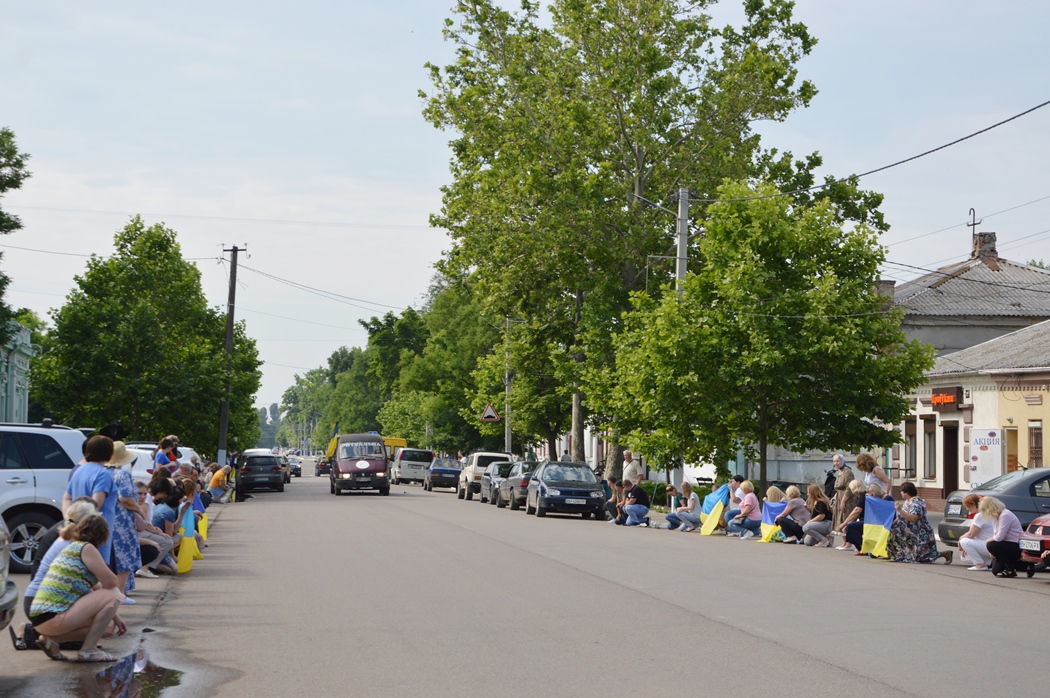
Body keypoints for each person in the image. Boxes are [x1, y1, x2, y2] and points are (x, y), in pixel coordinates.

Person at [28, 514, 127, 662]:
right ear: (103, 535)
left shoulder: (72, 549)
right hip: (53, 616)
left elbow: (97, 588)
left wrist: (116, 617)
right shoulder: (86, 548)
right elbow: (111, 583)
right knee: (114, 593)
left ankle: (53, 640)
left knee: (108, 627)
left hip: (41, 618)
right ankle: (89, 651)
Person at [8, 498, 99, 652]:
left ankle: (41, 634)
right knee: (98, 627)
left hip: (40, 598)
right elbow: (98, 583)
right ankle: (32, 633)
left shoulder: (66, 532)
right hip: (44, 600)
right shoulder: (73, 543)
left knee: (96, 624)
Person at [62, 436, 117, 567]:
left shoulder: (79, 470)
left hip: (77, 529)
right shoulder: (103, 474)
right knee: (98, 572)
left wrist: (69, 518)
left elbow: (67, 498)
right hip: (96, 532)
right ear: (109, 453)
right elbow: (96, 504)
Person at [106, 443, 145, 603]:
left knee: (108, 557)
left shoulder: (101, 473)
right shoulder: (122, 475)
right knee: (124, 557)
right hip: (122, 521)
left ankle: (111, 592)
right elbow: (125, 498)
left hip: (106, 519)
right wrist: (139, 511)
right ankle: (120, 593)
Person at [887, 481, 952, 564]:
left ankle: (945, 553)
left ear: (906, 493)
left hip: (919, 532)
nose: (901, 493)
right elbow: (901, 517)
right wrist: (892, 524)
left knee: (923, 556)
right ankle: (899, 556)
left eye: (902, 491)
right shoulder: (908, 501)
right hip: (910, 532)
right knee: (916, 555)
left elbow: (913, 518)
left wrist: (900, 510)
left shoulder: (916, 502)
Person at [134, 481, 175, 577]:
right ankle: (145, 568)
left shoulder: (140, 504)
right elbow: (143, 524)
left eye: (145, 493)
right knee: (168, 541)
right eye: (139, 493)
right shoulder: (138, 504)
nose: (143, 496)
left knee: (174, 569)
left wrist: (157, 531)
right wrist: (156, 532)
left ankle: (148, 566)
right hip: (137, 534)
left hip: (142, 532)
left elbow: (146, 522)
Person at [980, 496, 1025, 577]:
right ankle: (1025, 565)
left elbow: (999, 537)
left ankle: (1010, 569)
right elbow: (995, 534)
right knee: (995, 571)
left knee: (991, 545)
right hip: (1006, 544)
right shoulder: (995, 516)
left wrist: (987, 541)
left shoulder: (1005, 515)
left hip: (1015, 544)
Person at [958, 493, 994, 570]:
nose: (967, 509)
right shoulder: (987, 513)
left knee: (964, 541)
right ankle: (990, 562)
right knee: (965, 557)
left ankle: (980, 564)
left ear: (974, 505)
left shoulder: (979, 515)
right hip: (990, 544)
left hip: (988, 544)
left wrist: (960, 540)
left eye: (968, 506)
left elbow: (971, 534)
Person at [837, 480, 869, 552]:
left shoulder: (863, 495)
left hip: (868, 520)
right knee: (849, 527)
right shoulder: (860, 496)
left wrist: (845, 523)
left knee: (851, 527)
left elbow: (857, 511)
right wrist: (847, 523)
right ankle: (860, 547)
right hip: (863, 519)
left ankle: (863, 547)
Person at [831, 454, 855, 534]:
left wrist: (843, 501)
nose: (835, 463)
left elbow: (849, 488)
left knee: (845, 518)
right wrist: (835, 496)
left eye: (837, 461)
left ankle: (848, 542)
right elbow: (838, 488)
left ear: (842, 461)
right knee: (839, 519)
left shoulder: (848, 472)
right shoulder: (839, 472)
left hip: (847, 499)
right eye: (834, 461)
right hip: (839, 497)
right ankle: (844, 542)